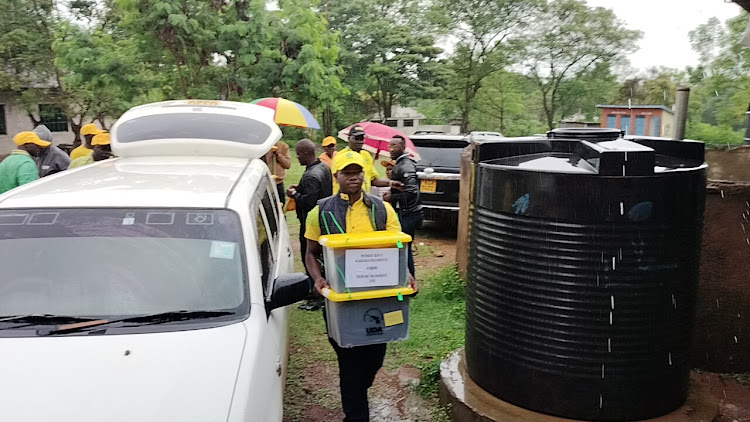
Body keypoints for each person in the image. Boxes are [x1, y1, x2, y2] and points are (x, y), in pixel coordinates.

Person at [304, 151, 418, 422]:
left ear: (364, 176)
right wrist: (317, 279)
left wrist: (410, 275)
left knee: (374, 358)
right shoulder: (320, 211)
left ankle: (357, 393)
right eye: (347, 172)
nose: (353, 176)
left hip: (378, 297)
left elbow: (399, 246)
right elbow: (310, 252)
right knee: (350, 363)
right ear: (336, 177)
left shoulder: (382, 209)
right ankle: (356, 415)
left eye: (357, 172)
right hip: (340, 302)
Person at [288, 139, 333, 311]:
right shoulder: (323, 167)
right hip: (324, 219)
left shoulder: (311, 175)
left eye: (298, 154)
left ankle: (317, 296)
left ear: (306, 153)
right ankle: (316, 290)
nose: (297, 157)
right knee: (321, 257)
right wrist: (299, 188)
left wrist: (294, 194)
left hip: (310, 223)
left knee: (310, 257)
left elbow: (310, 202)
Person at [384, 135, 423, 277]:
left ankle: (409, 281)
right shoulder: (399, 164)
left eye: (395, 146)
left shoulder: (405, 165)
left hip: (408, 215)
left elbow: (412, 191)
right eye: (390, 146)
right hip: (404, 213)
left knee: (403, 247)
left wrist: (392, 197)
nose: (391, 149)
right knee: (401, 247)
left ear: (403, 147)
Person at [331, 125, 399, 194]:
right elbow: (337, 178)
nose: (360, 141)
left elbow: (373, 180)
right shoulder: (341, 156)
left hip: (363, 199)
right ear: (348, 139)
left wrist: (391, 183)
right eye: (356, 138)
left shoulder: (366, 155)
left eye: (361, 138)